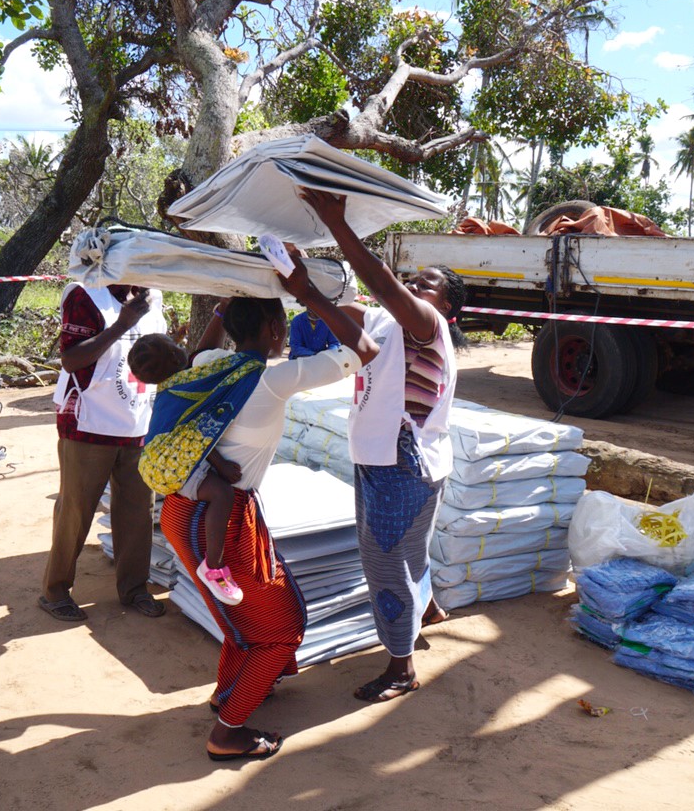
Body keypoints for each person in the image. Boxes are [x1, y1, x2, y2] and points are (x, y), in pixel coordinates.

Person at [156, 248, 379, 762]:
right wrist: (308, 294)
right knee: (280, 631)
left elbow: (201, 349)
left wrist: (228, 303)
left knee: (240, 617)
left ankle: (227, 696)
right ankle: (228, 732)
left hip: (185, 512)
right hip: (218, 519)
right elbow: (362, 348)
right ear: (277, 331)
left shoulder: (211, 364)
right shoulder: (274, 378)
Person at [300, 187, 467, 703]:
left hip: (402, 463)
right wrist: (299, 279)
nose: (417, 286)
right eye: (415, 279)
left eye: (429, 286)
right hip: (381, 459)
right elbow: (340, 311)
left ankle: (400, 668)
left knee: (383, 561)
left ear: (447, 310)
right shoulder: (384, 324)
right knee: (406, 551)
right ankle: (426, 612)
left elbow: (380, 282)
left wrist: (337, 224)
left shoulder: (427, 326)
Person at [39, 281, 169, 622]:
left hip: (137, 421)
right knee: (76, 510)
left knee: (138, 511)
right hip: (87, 423)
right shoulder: (86, 295)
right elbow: (70, 359)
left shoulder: (152, 297)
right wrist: (121, 326)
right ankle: (55, 591)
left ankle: (134, 588)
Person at [127, 332, 245, 605]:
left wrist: (220, 311)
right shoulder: (186, 388)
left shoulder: (174, 385)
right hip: (171, 465)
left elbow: (200, 350)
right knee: (222, 493)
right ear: (172, 357)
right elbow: (198, 434)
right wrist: (222, 465)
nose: (182, 346)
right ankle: (213, 566)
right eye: (175, 345)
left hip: (160, 460)